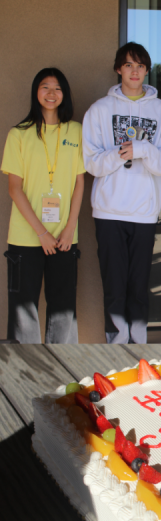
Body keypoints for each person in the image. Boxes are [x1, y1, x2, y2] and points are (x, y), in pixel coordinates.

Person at [82, 42, 161, 343]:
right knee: (114, 287)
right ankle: (115, 351)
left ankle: (139, 350)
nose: (134, 71)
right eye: (128, 65)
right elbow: (92, 163)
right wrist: (122, 154)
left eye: (140, 65)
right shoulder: (99, 110)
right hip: (109, 211)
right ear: (118, 69)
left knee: (139, 287)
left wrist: (141, 148)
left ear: (147, 70)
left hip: (144, 214)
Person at [1, 67, 85, 343]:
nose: (51, 93)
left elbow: (79, 183)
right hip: (27, 238)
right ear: (36, 92)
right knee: (23, 313)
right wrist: (41, 234)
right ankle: (26, 377)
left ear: (65, 94)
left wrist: (69, 228)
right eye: (45, 87)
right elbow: (15, 189)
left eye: (58, 88)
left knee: (63, 312)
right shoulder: (19, 134)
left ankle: (62, 379)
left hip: (64, 237)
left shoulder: (76, 131)